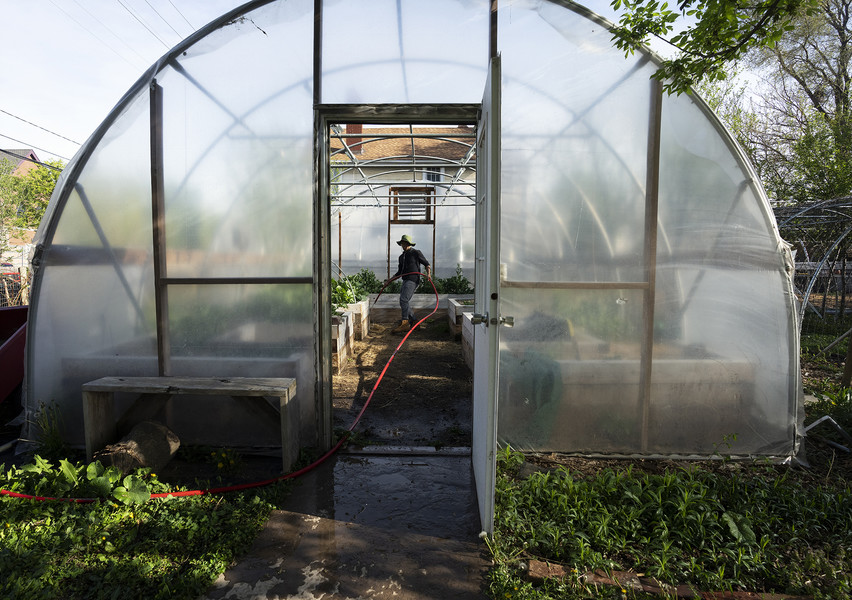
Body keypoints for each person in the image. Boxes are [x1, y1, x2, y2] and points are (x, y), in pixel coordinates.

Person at [387, 234, 431, 333]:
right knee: (404, 301)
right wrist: (390, 280)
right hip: (405, 279)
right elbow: (399, 272)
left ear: (409, 243)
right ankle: (414, 321)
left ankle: (405, 323)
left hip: (413, 279)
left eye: (405, 243)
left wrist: (428, 274)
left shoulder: (416, 253)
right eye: (402, 243)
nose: (403, 245)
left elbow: (427, 264)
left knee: (403, 299)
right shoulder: (401, 257)